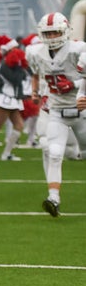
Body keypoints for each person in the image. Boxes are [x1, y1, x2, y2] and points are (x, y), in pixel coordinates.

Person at [26, 12, 86, 217]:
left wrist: (74, 84)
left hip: (82, 111)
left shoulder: (79, 49)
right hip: (57, 111)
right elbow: (36, 74)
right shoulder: (35, 52)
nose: (51, 37)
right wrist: (37, 92)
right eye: (48, 33)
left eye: (55, 33)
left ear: (66, 31)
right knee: (53, 152)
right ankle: (53, 198)